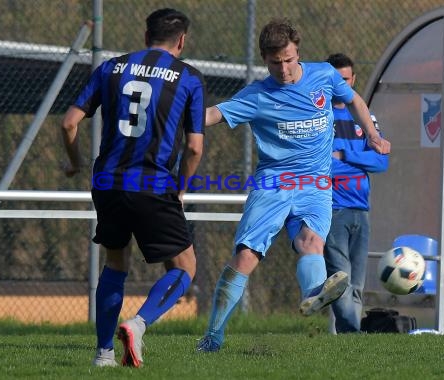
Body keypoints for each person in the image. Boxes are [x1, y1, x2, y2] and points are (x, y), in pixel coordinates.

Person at [196, 19, 390, 352]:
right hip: (273, 183)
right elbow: (214, 113)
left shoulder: (325, 76)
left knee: (311, 241)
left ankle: (314, 293)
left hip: (316, 183)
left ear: (298, 52)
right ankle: (212, 337)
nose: (283, 69)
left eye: (288, 60)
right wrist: (174, 119)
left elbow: (355, 100)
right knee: (245, 257)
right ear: (264, 59)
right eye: (275, 63)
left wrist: (372, 135)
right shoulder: (257, 95)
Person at [61, 8, 205, 367]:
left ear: (145, 37)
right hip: (154, 183)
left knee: (116, 261)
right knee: (185, 267)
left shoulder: (110, 68)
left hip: (107, 181)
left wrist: (76, 163)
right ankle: (138, 324)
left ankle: (103, 354)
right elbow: (194, 147)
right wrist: (181, 189)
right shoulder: (188, 78)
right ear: (182, 41)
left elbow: (68, 124)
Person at [324, 53, 389, 333]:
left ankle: (350, 339)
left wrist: (344, 153)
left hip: (361, 209)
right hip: (333, 206)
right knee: (341, 278)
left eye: (346, 80)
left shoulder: (365, 117)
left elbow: (381, 161)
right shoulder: (319, 117)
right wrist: (356, 161)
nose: (342, 85)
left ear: (354, 80)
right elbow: (323, 166)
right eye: (336, 80)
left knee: (358, 284)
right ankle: (351, 334)